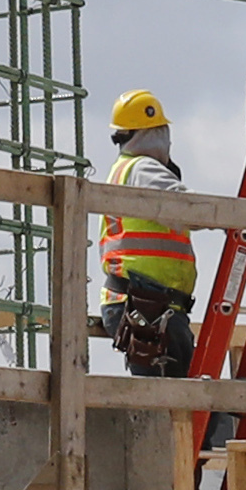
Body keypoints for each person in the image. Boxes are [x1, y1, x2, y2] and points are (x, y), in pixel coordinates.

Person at [98, 90, 200, 377]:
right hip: (146, 305)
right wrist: (239, 220)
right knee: (182, 408)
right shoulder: (143, 169)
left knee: (175, 404)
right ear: (153, 133)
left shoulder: (123, 169)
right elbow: (189, 208)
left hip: (142, 304)